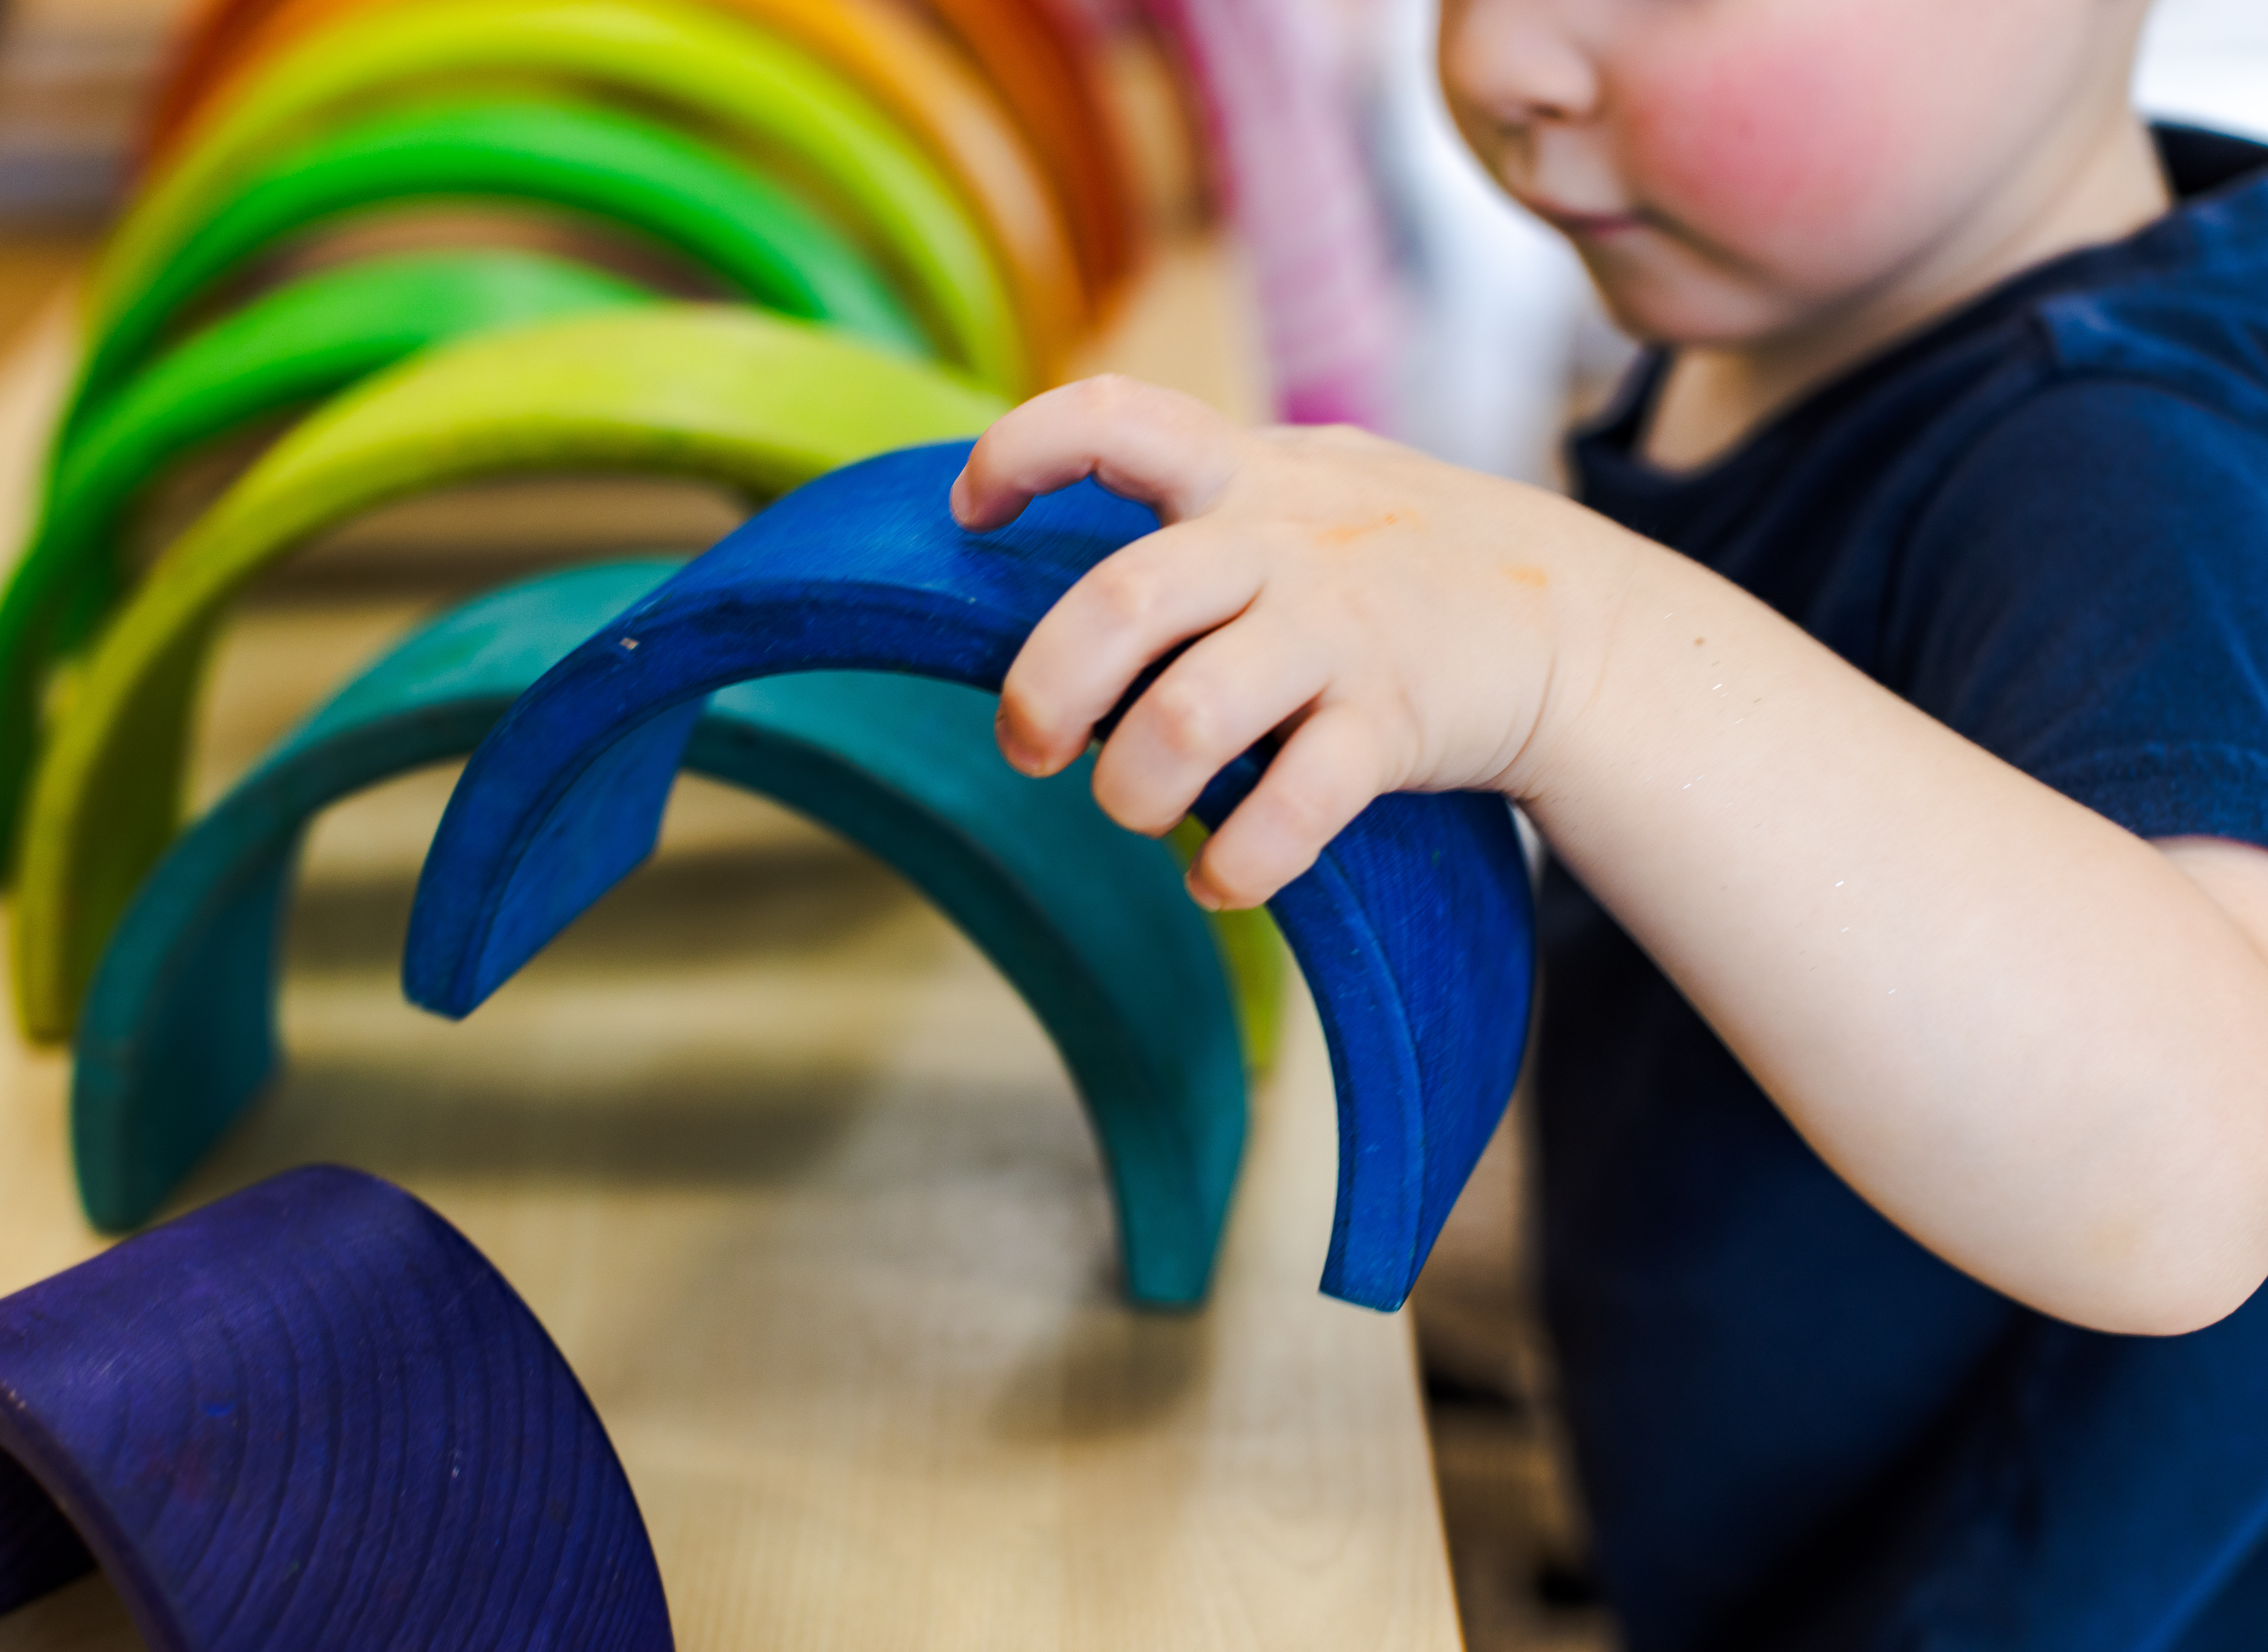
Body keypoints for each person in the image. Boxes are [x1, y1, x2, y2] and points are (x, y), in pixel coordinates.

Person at [949, 0, 2268, 1645]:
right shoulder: (1827, 296)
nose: (1498, 59)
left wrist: (1579, 644)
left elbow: (2195, 1166)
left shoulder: (2114, 467)